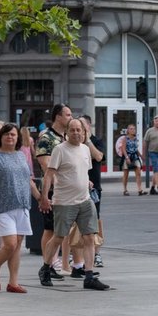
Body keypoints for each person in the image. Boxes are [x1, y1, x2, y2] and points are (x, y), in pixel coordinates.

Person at [38, 118, 109, 291]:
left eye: (79, 130)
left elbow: (81, 171)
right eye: (73, 130)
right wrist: (45, 197)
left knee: (89, 237)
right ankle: (46, 268)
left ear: (84, 133)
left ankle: (89, 276)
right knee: (59, 237)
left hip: (85, 200)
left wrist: (87, 183)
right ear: (67, 133)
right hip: (64, 202)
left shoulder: (85, 149)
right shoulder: (59, 150)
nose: (76, 133)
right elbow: (49, 175)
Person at [0, 123, 41, 293]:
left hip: (22, 205)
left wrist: (40, 197)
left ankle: (13, 282)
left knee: (18, 244)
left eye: (13, 135)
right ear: (0, 137)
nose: (10, 137)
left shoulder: (21, 156)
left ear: (18, 137)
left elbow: (29, 180)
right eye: (6, 134)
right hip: (2, 206)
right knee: (10, 244)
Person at [35, 103, 72, 277]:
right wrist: (58, 184)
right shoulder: (47, 138)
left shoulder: (67, 137)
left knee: (61, 229)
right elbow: (45, 164)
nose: (70, 118)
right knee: (50, 229)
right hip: (52, 189)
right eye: (68, 115)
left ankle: (54, 262)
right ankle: (48, 264)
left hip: (68, 189)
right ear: (58, 116)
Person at [82, 115, 106, 269]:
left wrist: (88, 141)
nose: (80, 131)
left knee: (95, 221)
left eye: (83, 127)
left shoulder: (96, 141)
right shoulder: (74, 144)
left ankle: (97, 253)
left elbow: (98, 156)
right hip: (77, 187)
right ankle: (75, 255)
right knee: (76, 224)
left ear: (89, 126)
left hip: (94, 188)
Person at [119, 123, 144, 195]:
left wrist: (141, 156)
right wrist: (127, 158)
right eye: (131, 129)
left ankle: (140, 189)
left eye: (134, 129)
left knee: (138, 172)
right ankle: (125, 189)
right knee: (126, 174)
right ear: (128, 130)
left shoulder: (135, 138)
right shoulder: (125, 138)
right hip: (127, 156)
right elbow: (123, 149)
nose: (133, 130)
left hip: (135, 157)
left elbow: (136, 149)